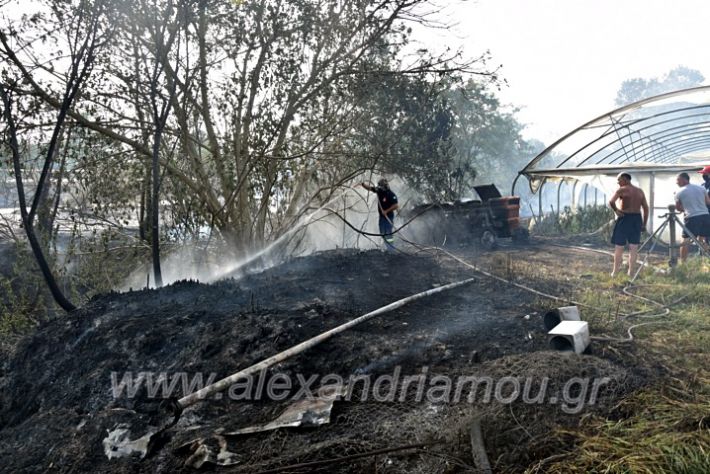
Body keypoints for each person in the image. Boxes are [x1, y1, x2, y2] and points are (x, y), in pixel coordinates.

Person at [608, 173, 649, 277]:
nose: (618, 182)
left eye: (619, 180)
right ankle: (631, 273)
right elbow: (646, 208)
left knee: (619, 246)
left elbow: (611, 201)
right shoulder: (639, 191)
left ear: (626, 179)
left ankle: (615, 272)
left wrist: (616, 211)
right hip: (636, 219)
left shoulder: (622, 190)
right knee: (634, 247)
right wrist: (644, 224)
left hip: (625, 218)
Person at [674, 172, 710, 261]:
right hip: (705, 216)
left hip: (692, 218)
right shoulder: (701, 188)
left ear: (684, 179)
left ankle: (683, 264)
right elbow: (708, 202)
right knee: (701, 239)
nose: (677, 182)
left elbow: (678, 208)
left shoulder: (678, 192)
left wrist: (686, 208)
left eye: (678, 180)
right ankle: (706, 260)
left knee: (685, 241)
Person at [361, 178, 398, 250]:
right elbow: (370, 188)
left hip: (388, 217)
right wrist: (363, 184)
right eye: (379, 186)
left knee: (388, 233)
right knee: (382, 232)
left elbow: (396, 205)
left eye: (380, 186)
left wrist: (386, 211)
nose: (379, 187)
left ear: (385, 186)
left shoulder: (391, 194)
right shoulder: (379, 191)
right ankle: (389, 248)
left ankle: (391, 249)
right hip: (382, 217)